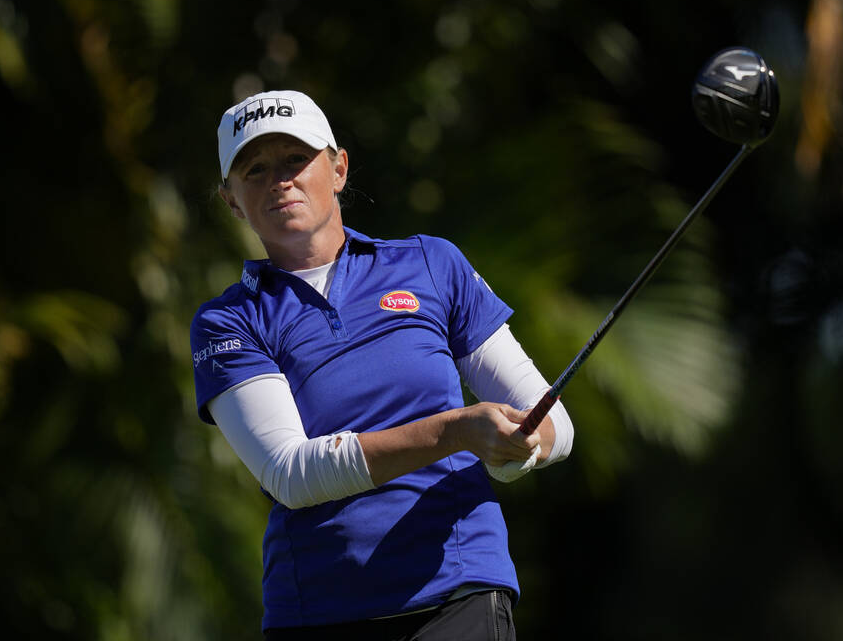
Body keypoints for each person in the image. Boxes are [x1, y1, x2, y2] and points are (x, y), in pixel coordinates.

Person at [190, 90, 574, 639]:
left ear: (338, 167)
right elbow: (290, 475)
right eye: (255, 169)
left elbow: (557, 425)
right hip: (318, 609)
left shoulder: (432, 263)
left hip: (457, 594)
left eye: (296, 160)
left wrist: (522, 449)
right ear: (231, 200)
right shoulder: (228, 321)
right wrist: (459, 430)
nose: (280, 180)